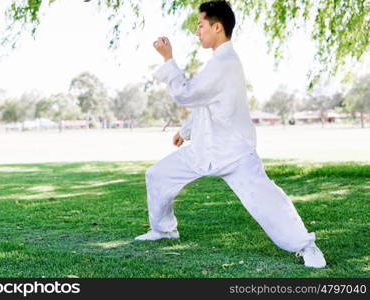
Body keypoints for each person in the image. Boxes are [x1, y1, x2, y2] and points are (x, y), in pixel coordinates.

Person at [134, 0, 326, 268]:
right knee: (158, 175)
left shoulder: (225, 62)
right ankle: (164, 229)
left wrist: (168, 58)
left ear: (217, 26)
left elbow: (186, 94)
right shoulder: (218, 62)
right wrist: (185, 130)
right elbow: (206, 104)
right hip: (204, 150)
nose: (197, 31)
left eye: (200, 25)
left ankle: (306, 246)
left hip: (234, 153)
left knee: (267, 200)